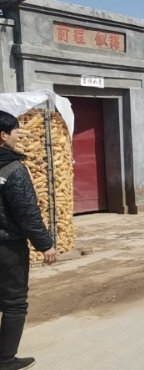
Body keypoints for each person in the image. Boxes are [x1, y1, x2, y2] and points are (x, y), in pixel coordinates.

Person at [0, 110, 56, 370]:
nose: (17, 136)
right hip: (7, 246)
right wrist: (45, 244)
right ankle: (5, 360)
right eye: (14, 132)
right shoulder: (13, 169)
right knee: (14, 302)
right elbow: (28, 213)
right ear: (3, 136)